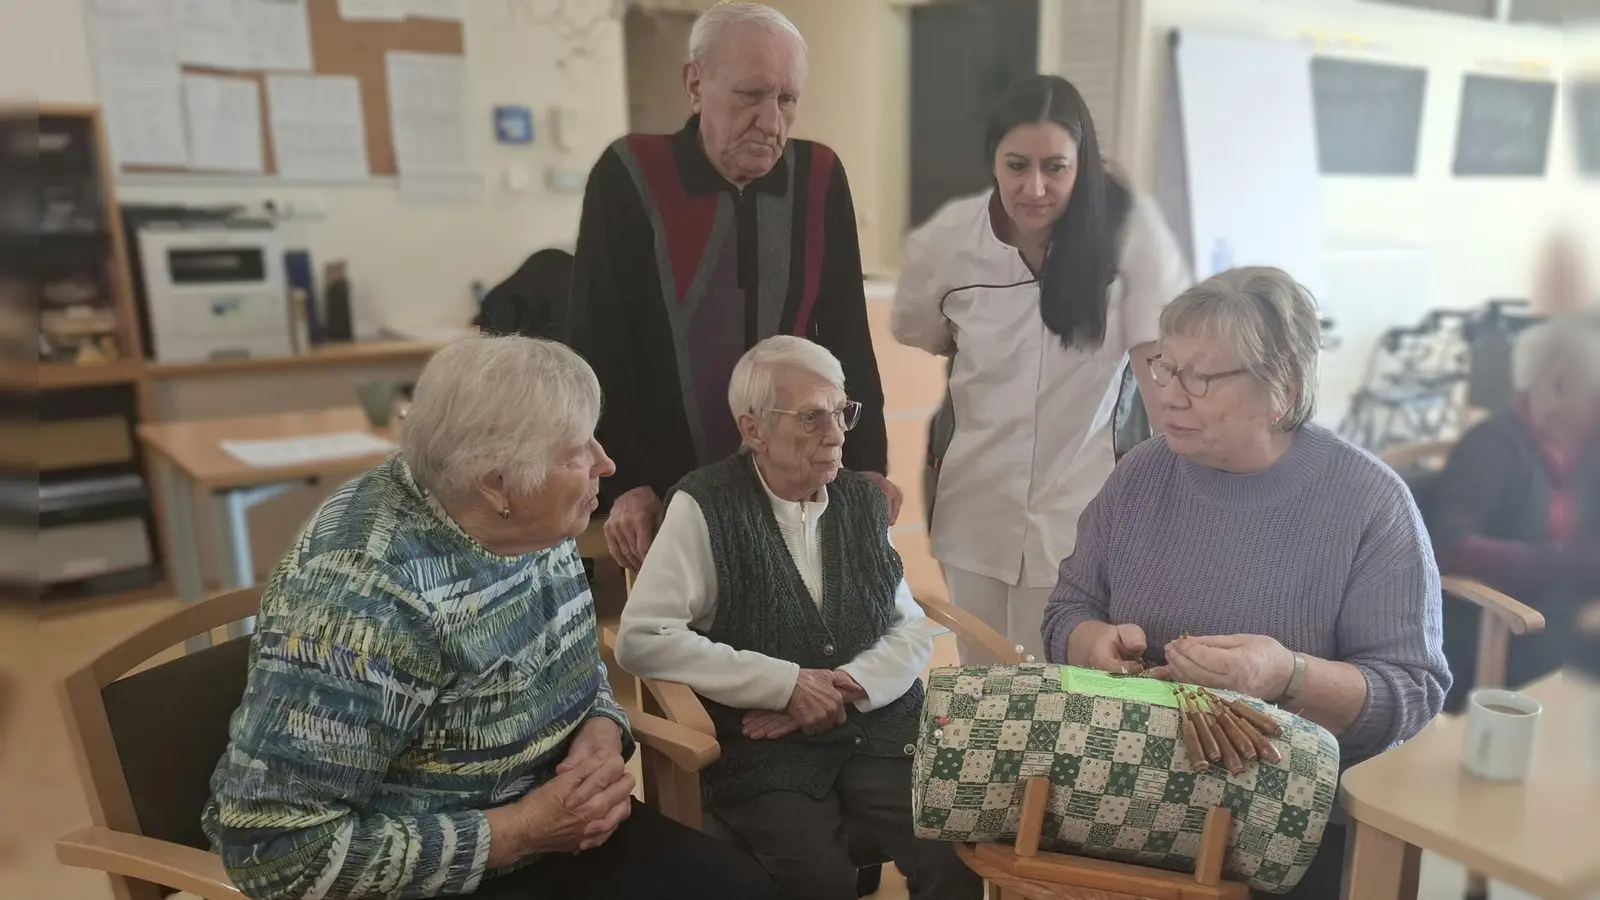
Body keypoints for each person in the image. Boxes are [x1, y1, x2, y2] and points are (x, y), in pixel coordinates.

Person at [202, 336, 775, 900]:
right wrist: (520, 831)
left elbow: (570, 668)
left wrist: (602, 732)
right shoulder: (363, 597)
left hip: (555, 830)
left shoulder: (530, 521)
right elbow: (277, 853)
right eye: (576, 451)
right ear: (498, 483)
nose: (606, 463)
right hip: (430, 874)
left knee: (747, 889)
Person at [1040, 268, 1451, 900]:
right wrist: (1089, 643)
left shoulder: (1369, 503)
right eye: (1165, 368)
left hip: (1287, 825)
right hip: (1122, 793)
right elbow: (1068, 609)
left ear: (1281, 387)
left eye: (1200, 377)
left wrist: (1287, 676)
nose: (1171, 396)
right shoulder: (1141, 476)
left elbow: (1412, 695)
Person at [615, 337, 982, 900]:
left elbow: (907, 624)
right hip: (764, 749)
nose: (835, 433)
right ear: (754, 430)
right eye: (811, 417)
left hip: (877, 727)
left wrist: (845, 685)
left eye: (841, 412)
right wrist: (784, 685)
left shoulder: (861, 501)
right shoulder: (705, 505)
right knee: (819, 878)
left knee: (954, 847)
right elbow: (643, 637)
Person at [566, 2, 898, 573]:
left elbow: (845, 331)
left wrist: (867, 462)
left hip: (796, 486)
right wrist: (629, 481)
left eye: (787, 100)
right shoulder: (632, 174)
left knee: (809, 645)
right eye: (751, 95)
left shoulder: (818, 178)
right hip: (668, 490)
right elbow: (596, 345)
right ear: (696, 83)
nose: (770, 121)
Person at [892, 74, 1190, 660]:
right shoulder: (948, 240)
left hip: (1081, 514)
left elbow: (1159, 370)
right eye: (1016, 165)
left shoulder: (1128, 235)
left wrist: (1183, 494)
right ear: (993, 163)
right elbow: (917, 328)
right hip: (974, 507)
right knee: (984, 684)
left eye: (1056, 166)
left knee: (1063, 699)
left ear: (1082, 164)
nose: (1034, 187)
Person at [1430, 318, 1600, 700]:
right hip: (1507, 621)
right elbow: (1451, 547)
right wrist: (1563, 563)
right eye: (1558, 383)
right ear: (1530, 381)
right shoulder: (1490, 447)